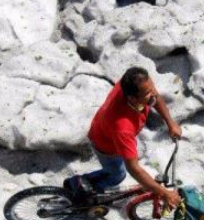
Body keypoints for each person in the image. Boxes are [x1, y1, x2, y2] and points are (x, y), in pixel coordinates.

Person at [64, 67, 182, 210]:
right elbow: (134, 169)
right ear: (132, 98)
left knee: (117, 168)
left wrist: (170, 122)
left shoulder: (134, 85)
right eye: (147, 93)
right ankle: (84, 192)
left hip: (107, 129)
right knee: (116, 175)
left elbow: (154, 97)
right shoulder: (123, 126)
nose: (153, 96)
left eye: (152, 88)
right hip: (106, 144)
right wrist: (164, 193)